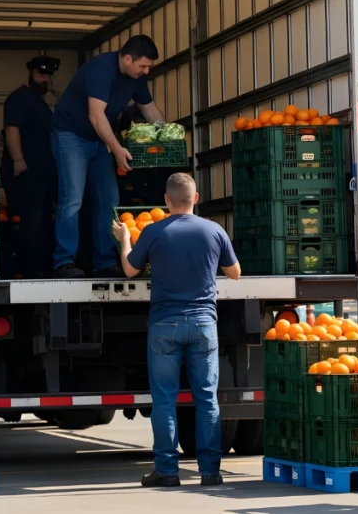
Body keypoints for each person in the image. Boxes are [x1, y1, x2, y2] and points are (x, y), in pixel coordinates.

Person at [111, 173, 241, 487]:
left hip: (164, 324)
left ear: (167, 201)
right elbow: (234, 274)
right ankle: (210, 472)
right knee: (206, 399)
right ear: (195, 198)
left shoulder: (154, 232)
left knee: (165, 401)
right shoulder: (214, 230)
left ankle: (167, 472)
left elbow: (130, 270)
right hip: (203, 324)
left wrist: (125, 238)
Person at [52, 35, 165, 278]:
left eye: (148, 67)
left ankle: (104, 261)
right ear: (127, 58)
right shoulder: (101, 69)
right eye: (143, 66)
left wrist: (167, 136)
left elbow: (149, 108)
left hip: (99, 139)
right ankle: (63, 262)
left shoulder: (136, 77)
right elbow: (96, 116)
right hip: (71, 135)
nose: (145, 71)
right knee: (72, 200)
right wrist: (115, 147)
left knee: (109, 199)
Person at [1, 55, 60, 278]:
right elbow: (12, 129)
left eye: (48, 75)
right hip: (27, 172)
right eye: (40, 74)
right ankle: (32, 271)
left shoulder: (41, 103)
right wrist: (18, 159)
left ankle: (41, 268)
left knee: (43, 222)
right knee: (32, 223)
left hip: (43, 173)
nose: (44, 79)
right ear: (31, 73)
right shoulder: (20, 98)